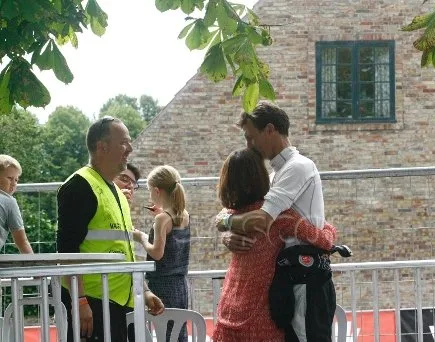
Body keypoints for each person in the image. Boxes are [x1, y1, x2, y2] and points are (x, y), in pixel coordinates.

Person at [217, 102, 336, 342]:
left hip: (305, 280)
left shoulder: (298, 167)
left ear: (270, 129)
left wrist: (226, 222)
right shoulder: (275, 175)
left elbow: (261, 220)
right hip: (287, 279)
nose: (248, 145)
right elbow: (241, 215)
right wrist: (225, 229)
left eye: (251, 137)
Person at [57, 116, 164, 342]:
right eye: (124, 142)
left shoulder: (116, 192)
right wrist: (80, 301)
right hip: (93, 304)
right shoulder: (79, 186)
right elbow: (67, 250)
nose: (131, 148)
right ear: (102, 147)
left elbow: (124, 249)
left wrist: (144, 290)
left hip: (117, 303)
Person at [132, 165, 190, 342]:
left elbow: (157, 253)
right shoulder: (184, 214)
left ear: (157, 191)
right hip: (180, 285)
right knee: (178, 333)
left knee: (164, 333)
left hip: (162, 286)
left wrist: (141, 237)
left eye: (150, 191)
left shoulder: (162, 218)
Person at [0, 154, 33, 253]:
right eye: (10, 178)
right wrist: (36, 265)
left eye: (16, 180)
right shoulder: (8, 201)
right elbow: (22, 242)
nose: (14, 183)